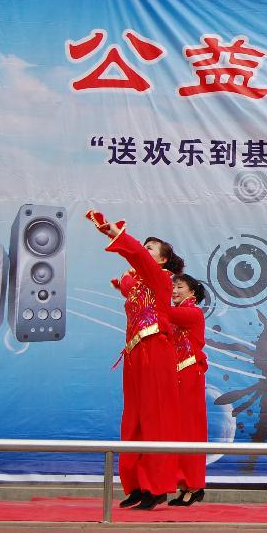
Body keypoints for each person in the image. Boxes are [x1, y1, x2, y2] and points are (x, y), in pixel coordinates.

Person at [89, 212, 183, 510]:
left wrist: (116, 235)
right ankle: (137, 484)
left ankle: (158, 486)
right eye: (145, 246)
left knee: (155, 418)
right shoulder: (141, 284)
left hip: (155, 349)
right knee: (133, 420)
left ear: (162, 260)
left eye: (150, 248)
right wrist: (120, 283)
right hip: (133, 353)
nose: (145, 250)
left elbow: (138, 260)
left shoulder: (162, 279)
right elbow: (130, 280)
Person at [167, 273, 208, 507]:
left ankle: (194, 485)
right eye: (172, 287)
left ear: (192, 292)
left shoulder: (193, 312)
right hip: (176, 376)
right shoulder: (176, 314)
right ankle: (184, 485)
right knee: (178, 430)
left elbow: (164, 312)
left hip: (189, 375)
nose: (174, 290)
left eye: (179, 287)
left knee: (190, 430)